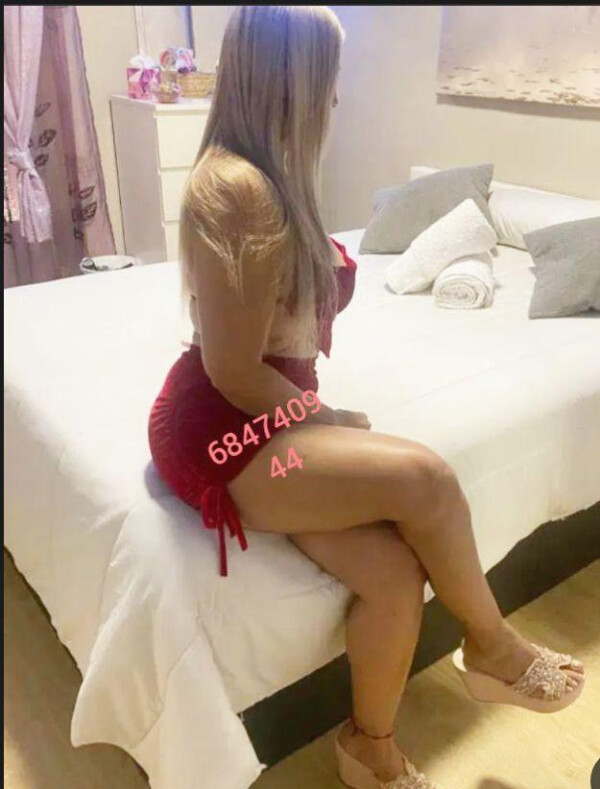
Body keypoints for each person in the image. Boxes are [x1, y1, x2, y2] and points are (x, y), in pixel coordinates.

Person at [147, 7, 586, 788]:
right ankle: (492, 646)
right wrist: (325, 418)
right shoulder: (238, 189)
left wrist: (312, 417)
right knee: (426, 478)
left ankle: (368, 747)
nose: (336, 97)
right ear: (289, 77)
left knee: (392, 573)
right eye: (329, 76)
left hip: (264, 415)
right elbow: (234, 370)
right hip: (228, 438)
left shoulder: (268, 173)